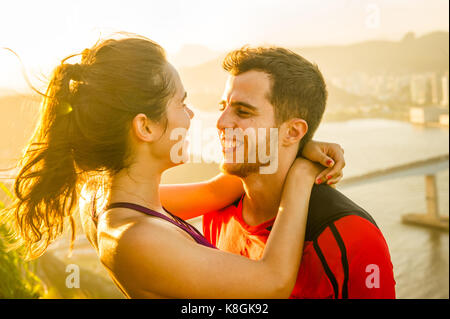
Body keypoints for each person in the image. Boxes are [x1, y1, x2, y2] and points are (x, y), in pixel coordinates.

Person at [1, 35, 345, 299]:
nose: (193, 115)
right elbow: (273, 283)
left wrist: (290, 142)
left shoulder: (108, 196)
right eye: (182, 102)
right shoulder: (135, 239)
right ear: (145, 127)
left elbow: (217, 189)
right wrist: (301, 173)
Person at [201, 47, 396, 299]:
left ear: (293, 132)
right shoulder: (217, 213)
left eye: (243, 111)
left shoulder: (353, 236)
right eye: (222, 107)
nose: (221, 122)